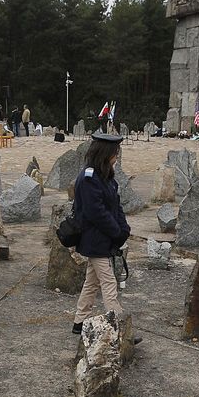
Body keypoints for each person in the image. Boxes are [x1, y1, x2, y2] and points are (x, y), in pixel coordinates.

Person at [71, 133, 131, 334]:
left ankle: (79, 322)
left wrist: (123, 229)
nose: (117, 157)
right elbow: (96, 213)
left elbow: (115, 205)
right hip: (94, 239)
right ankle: (119, 327)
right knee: (108, 283)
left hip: (104, 239)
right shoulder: (89, 178)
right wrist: (116, 232)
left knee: (92, 282)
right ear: (105, 154)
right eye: (115, 153)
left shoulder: (105, 176)